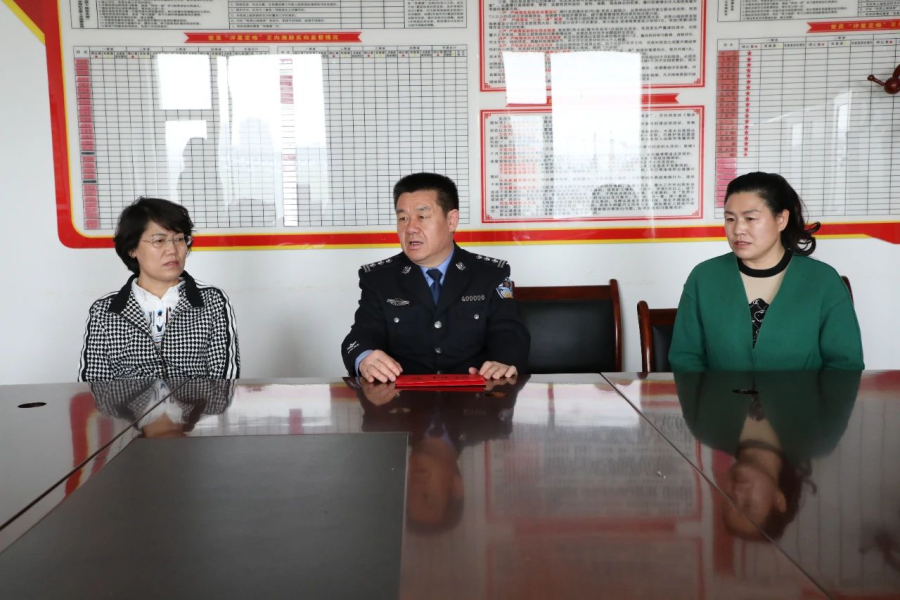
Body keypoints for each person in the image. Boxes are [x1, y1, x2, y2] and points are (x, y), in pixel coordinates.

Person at [341, 173, 530, 381]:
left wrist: (503, 362)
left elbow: (510, 332)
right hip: (403, 397)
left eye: (422, 217)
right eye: (403, 218)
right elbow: (361, 335)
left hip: (476, 395)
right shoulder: (379, 279)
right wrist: (365, 358)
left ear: (451, 220)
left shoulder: (490, 274)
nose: (410, 229)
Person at [669, 172, 864, 371]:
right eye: (730, 219)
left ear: (781, 220)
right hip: (720, 392)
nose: (738, 229)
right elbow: (685, 358)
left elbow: (845, 365)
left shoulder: (823, 281)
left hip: (804, 393)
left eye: (750, 218)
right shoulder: (704, 278)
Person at [675, 370, 859, 540]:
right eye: (748, 505)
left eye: (729, 499)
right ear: (778, 501)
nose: (737, 493)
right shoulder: (820, 435)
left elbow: (687, 355)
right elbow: (843, 361)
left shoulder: (707, 428)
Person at [79, 197, 240, 381]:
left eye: (179, 239)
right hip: (127, 401)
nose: (172, 250)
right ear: (132, 248)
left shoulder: (212, 301)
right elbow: (92, 386)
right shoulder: (105, 310)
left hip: (196, 401)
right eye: (159, 240)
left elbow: (225, 383)